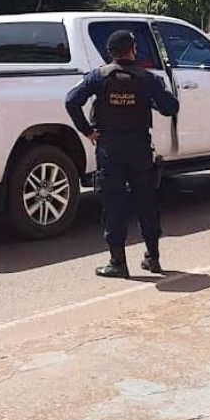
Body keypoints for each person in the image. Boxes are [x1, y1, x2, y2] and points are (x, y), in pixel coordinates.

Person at [65, 30, 179, 278]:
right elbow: (170, 108)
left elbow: (71, 101)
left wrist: (88, 132)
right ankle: (153, 258)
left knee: (114, 205)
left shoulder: (98, 76)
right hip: (139, 148)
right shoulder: (147, 78)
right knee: (146, 203)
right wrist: (154, 98)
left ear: (110, 52)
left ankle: (118, 262)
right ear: (132, 50)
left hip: (110, 149)